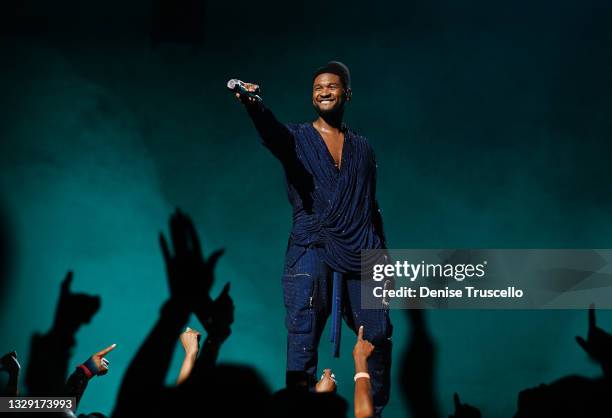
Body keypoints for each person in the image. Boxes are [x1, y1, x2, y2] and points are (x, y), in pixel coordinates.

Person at [234, 61, 393, 416]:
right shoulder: (296, 138)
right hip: (313, 246)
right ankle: (300, 413)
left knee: (378, 336)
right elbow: (271, 133)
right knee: (303, 338)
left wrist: (383, 257)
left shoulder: (363, 148)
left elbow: (371, 205)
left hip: (362, 248)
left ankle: (373, 412)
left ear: (346, 93)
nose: (323, 91)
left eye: (332, 86)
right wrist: (254, 104)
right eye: (318, 87)